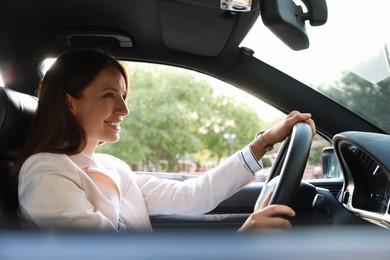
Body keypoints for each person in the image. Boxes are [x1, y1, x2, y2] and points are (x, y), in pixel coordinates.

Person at [11, 49, 315, 232]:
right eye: (109, 95)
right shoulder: (46, 172)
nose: (124, 110)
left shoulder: (110, 166)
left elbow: (194, 195)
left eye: (124, 96)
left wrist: (264, 142)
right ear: (69, 103)